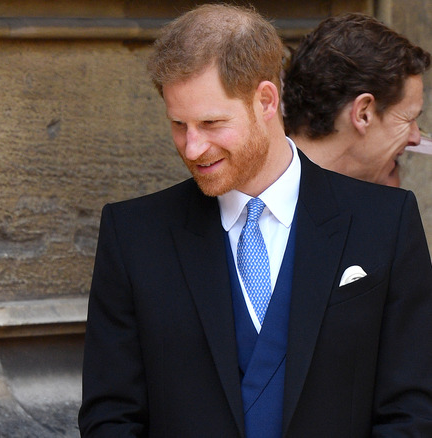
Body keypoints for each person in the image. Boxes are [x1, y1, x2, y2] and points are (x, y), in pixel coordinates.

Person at [78, 4, 432, 437]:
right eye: (178, 124)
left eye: (211, 123)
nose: (191, 148)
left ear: (266, 99)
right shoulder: (133, 235)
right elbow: (110, 417)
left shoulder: (387, 222)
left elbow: (412, 409)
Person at [283, 13, 431, 187]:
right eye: (409, 119)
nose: (416, 138)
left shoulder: (382, 209)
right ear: (363, 113)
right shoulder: (251, 197)